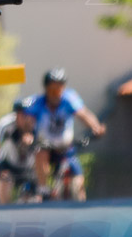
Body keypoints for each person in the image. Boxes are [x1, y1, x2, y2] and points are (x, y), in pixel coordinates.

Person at [27, 68, 106, 201]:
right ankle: (43, 190)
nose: (56, 94)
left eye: (59, 90)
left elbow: (83, 114)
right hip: (47, 148)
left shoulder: (69, 99)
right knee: (41, 153)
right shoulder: (38, 103)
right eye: (52, 90)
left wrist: (95, 127)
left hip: (66, 148)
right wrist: (27, 135)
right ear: (46, 89)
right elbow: (27, 122)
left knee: (79, 184)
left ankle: (79, 209)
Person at [0, 96, 39, 205]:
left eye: (28, 114)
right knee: (3, 181)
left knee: (36, 196)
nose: (26, 118)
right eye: (21, 114)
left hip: (30, 168)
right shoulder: (5, 125)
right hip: (8, 165)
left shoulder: (38, 125)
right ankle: (3, 211)